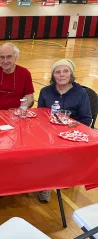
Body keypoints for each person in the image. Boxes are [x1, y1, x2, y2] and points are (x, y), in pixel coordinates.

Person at [37, 59, 92, 203]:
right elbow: (40, 116)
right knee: (42, 150)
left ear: (71, 74)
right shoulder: (45, 91)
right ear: (53, 75)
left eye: (65, 71)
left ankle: (60, 176)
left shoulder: (80, 93)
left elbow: (86, 119)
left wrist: (71, 128)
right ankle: (44, 185)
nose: (62, 75)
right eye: (58, 72)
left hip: (71, 133)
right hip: (49, 133)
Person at [0, 43, 34, 111]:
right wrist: (0, 115)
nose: (5, 61)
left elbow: (30, 99)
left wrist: (18, 112)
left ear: (16, 57)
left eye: (9, 57)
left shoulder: (25, 73)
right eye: (2, 57)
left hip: (17, 115)